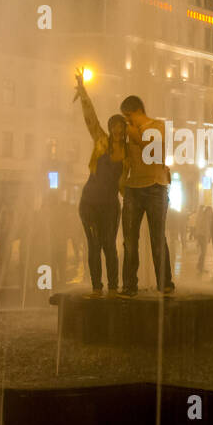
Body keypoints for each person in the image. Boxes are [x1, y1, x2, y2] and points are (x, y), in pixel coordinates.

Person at [73, 69, 126, 296]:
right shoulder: (101, 142)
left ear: (124, 130)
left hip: (110, 205)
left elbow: (127, 182)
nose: (117, 129)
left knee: (109, 246)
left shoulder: (128, 154)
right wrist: (84, 93)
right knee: (93, 245)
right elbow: (90, 119)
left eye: (121, 126)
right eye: (114, 125)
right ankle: (96, 287)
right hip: (90, 202)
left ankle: (113, 287)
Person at [119, 94, 175, 295]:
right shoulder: (129, 130)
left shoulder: (157, 126)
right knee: (129, 240)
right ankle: (128, 285)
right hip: (133, 189)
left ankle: (165, 283)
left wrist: (136, 138)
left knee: (157, 238)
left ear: (137, 111)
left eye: (128, 116)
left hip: (155, 187)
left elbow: (156, 154)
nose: (127, 121)